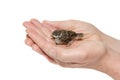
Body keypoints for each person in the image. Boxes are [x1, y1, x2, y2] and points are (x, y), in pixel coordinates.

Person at [23, 19, 120, 80]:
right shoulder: (56, 36)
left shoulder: (64, 37)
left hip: (72, 37)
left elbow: (69, 38)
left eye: (56, 36)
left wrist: (103, 59)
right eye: (53, 36)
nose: (53, 37)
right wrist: (101, 38)